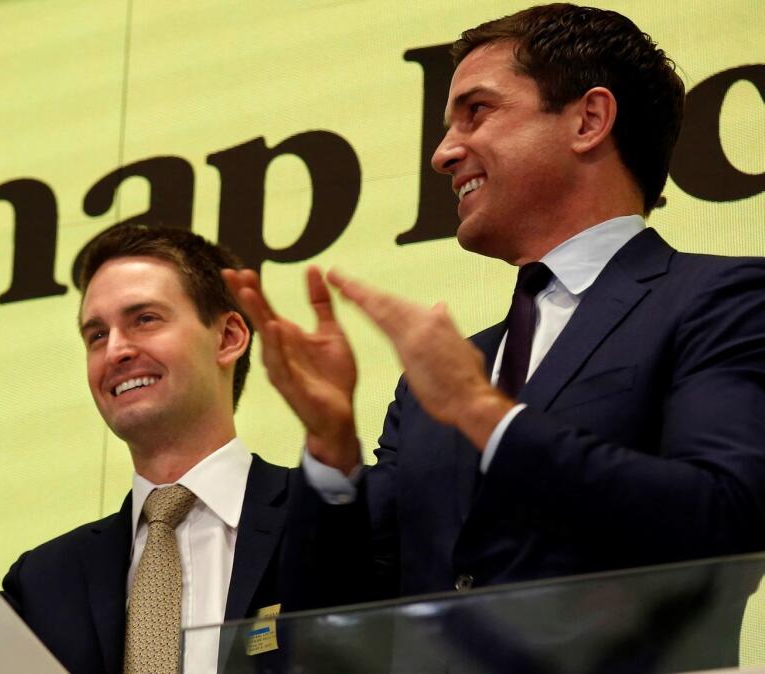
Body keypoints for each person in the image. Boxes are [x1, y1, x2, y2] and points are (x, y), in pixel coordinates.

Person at [227, 2, 765, 600]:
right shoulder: (434, 383)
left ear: (589, 119)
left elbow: (728, 518)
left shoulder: (722, 300)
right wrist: (331, 447)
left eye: (476, 112)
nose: (442, 154)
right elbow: (331, 609)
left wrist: (484, 413)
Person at [1, 225, 367, 674]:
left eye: (144, 319)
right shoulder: (44, 582)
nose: (115, 350)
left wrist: (332, 439)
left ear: (229, 337)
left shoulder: (329, 514)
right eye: (96, 335)